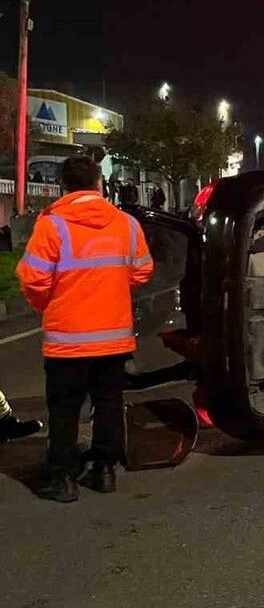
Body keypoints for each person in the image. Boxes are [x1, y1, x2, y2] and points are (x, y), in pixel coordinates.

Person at [17, 156, 154, 502]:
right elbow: (142, 270)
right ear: (99, 184)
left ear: (62, 186)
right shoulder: (125, 224)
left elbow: (32, 279)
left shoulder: (52, 226)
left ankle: (62, 479)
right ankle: (104, 470)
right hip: (114, 337)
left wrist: (49, 305)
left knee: (64, 409)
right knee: (108, 402)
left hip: (68, 339)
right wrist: (111, 292)